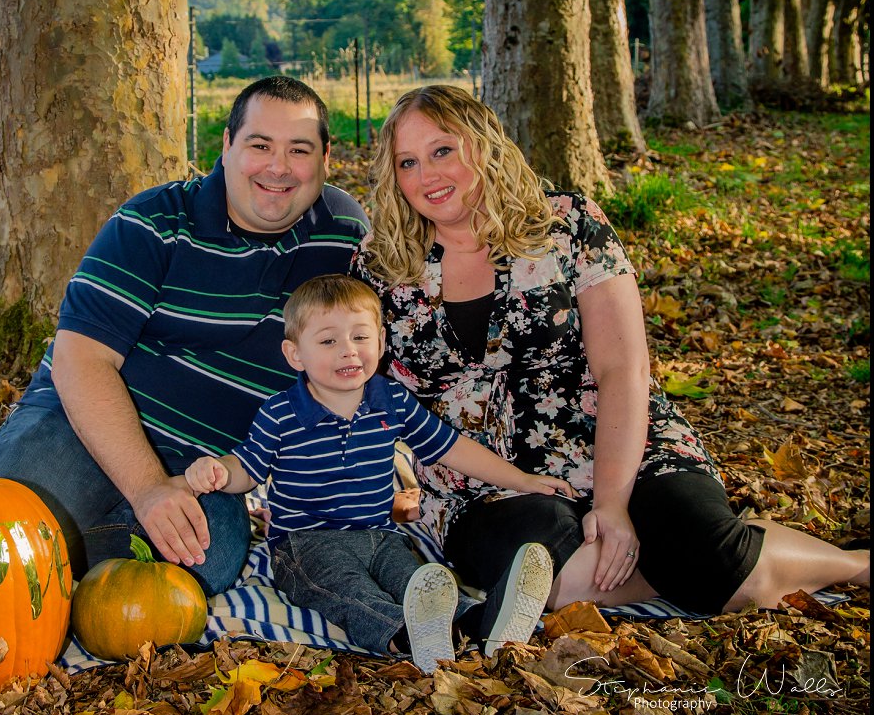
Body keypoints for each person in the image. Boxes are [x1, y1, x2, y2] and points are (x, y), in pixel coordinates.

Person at [0, 75, 369, 594]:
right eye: (260, 145)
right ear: (226, 147)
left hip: (206, 463)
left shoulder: (344, 232)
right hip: (87, 421)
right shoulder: (155, 222)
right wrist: (146, 489)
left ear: (324, 160)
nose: (278, 167)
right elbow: (81, 362)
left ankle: (49, 565)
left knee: (208, 562)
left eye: (299, 150)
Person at [357, 84, 869, 615]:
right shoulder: (380, 263)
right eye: (407, 162)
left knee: (723, 566)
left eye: (443, 150)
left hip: (614, 439)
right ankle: (687, 560)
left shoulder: (569, 224)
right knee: (548, 584)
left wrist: (612, 504)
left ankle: (853, 565)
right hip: (481, 480)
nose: (427, 177)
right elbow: (356, 384)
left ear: (483, 145)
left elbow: (623, 367)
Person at [178, 275, 573, 669]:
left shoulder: (392, 401)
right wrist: (218, 472)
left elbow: (451, 448)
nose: (348, 352)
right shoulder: (281, 413)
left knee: (420, 580)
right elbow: (247, 468)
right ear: (295, 354)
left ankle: (480, 618)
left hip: (380, 535)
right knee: (348, 590)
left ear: (381, 342)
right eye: (329, 341)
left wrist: (522, 480)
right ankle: (407, 635)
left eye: (360, 338)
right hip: (305, 542)